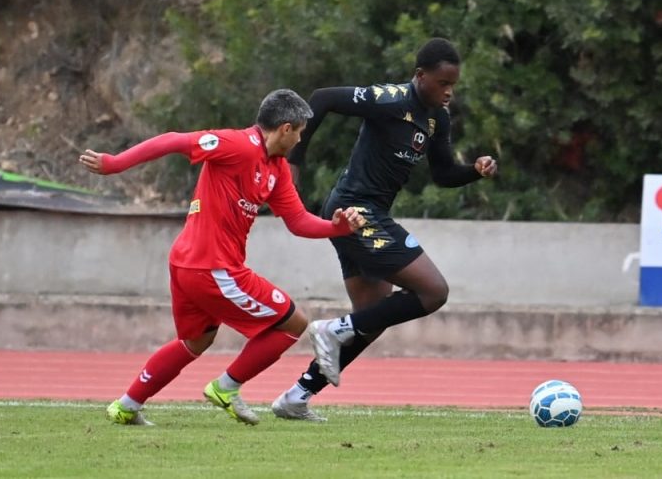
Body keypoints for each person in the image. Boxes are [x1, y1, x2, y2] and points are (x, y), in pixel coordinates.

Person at [80, 88, 367, 426]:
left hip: (189, 263)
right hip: (212, 267)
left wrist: (337, 228)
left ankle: (126, 406)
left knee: (195, 341)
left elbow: (298, 221)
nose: (301, 139)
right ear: (286, 128)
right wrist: (115, 164)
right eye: (301, 131)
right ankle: (226, 387)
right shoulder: (237, 144)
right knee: (294, 324)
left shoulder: (277, 169)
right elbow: (173, 140)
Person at [271, 38, 497, 422]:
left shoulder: (436, 119)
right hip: (354, 210)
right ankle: (332, 329)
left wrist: (474, 171)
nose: (449, 92)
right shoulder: (390, 99)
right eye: (443, 83)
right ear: (420, 76)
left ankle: (296, 397)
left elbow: (443, 174)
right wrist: (295, 160)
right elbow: (322, 98)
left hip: (367, 213)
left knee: (371, 318)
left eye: (453, 85)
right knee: (434, 291)